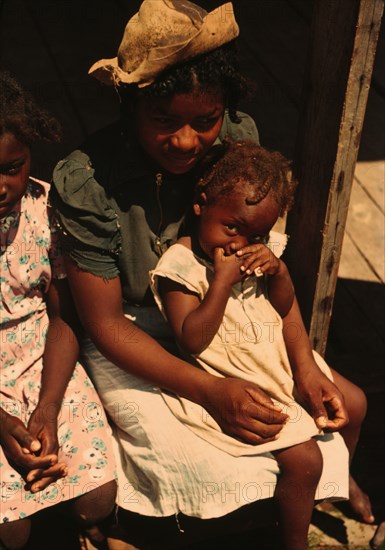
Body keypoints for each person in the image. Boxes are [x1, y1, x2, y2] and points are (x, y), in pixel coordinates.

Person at [50, 0, 373, 547]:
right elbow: (105, 326)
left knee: (338, 405)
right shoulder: (90, 179)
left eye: (204, 121)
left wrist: (304, 365)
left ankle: (333, 482)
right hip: (137, 335)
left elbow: (267, 278)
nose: (184, 142)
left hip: (233, 318)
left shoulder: (237, 150)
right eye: (163, 122)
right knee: (207, 470)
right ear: (131, 106)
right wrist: (208, 390)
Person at [150, 139, 370, 549]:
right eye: (232, 227)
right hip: (230, 374)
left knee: (354, 402)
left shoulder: (256, 250)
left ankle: (336, 483)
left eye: (258, 234)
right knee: (304, 459)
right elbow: (192, 339)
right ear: (201, 203)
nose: (239, 244)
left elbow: (284, 307)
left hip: (272, 356)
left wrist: (280, 273)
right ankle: (293, 540)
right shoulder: (180, 267)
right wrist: (220, 284)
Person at [0, 72, 117, 550]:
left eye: (13, 167)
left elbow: (63, 319)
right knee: (12, 532)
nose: (0, 185)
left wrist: (47, 407)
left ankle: (86, 528)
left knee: (97, 502)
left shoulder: (46, 210)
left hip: (45, 359)